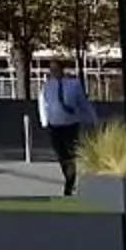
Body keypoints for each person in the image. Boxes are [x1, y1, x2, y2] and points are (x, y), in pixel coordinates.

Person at [36, 53, 96, 195]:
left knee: (70, 154)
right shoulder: (47, 86)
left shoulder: (73, 84)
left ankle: (69, 183)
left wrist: (92, 118)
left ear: (62, 69)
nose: (53, 72)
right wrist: (44, 121)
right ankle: (69, 177)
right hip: (54, 125)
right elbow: (43, 104)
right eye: (51, 69)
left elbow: (82, 103)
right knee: (61, 155)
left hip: (70, 124)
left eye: (55, 69)